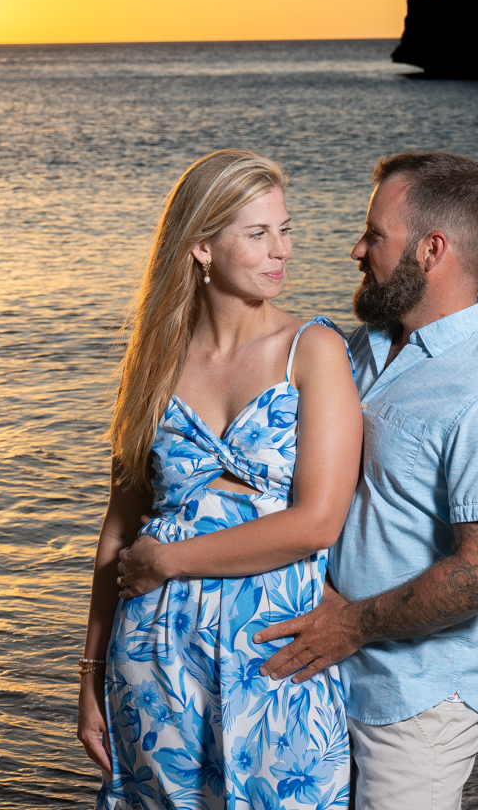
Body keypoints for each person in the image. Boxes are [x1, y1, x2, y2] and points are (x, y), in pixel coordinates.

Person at [252, 151, 478, 810]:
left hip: (419, 699)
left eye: (375, 236)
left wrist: (351, 625)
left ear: (431, 250)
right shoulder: (362, 346)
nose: (357, 250)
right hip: (328, 668)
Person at [76, 149, 363, 810]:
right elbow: (118, 527)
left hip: (275, 656)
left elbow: (317, 523)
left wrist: (169, 560)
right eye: (258, 234)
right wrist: (89, 675)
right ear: (202, 247)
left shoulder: (312, 350)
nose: (281, 250)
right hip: (153, 660)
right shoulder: (155, 361)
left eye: (284, 230)